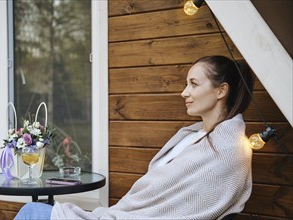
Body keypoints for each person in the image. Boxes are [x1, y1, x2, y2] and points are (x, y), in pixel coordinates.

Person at [15, 55, 254, 220]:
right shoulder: (190, 135)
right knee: (33, 211)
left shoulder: (227, 151)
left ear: (221, 90)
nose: (184, 92)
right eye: (185, 84)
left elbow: (186, 208)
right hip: (124, 214)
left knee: (32, 213)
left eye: (193, 84)